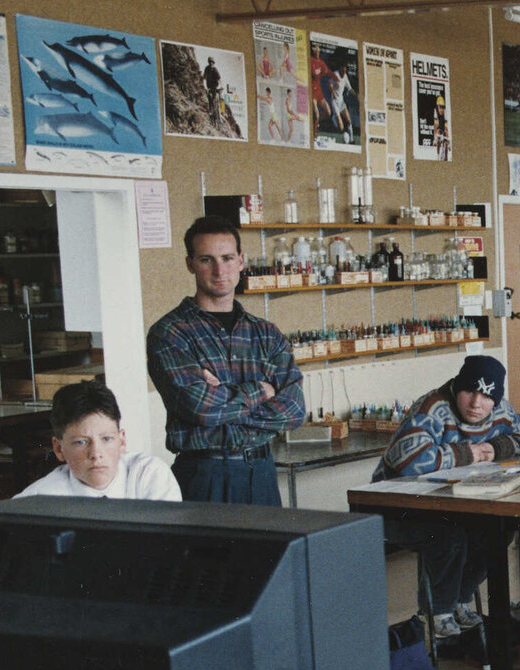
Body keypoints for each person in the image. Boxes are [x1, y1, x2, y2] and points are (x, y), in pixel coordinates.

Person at [147, 215, 305, 504]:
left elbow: (293, 411)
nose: (220, 270)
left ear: (241, 261)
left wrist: (222, 399)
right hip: (204, 474)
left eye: (227, 258)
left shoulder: (266, 334)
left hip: (261, 472)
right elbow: (200, 408)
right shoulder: (169, 333)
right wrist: (262, 390)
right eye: (207, 259)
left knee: (269, 551)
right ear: (190, 264)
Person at [373, 355, 520, 642]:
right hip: (396, 505)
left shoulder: (499, 408)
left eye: (486, 396)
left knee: (496, 531)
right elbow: (409, 460)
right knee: (448, 536)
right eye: (469, 391)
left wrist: (495, 448)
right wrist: (469, 454)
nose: (476, 403)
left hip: (453, 502)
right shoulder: (432, 408)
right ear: (457, 387)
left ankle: (460, 600)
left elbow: (519, 437)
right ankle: (439, 612)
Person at [17, 380, 180, 501]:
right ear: (59, 449)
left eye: (107, 439)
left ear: (122, 441)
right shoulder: (38, 499)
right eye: (80, 442)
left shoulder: (149, 476)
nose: (96, 454)